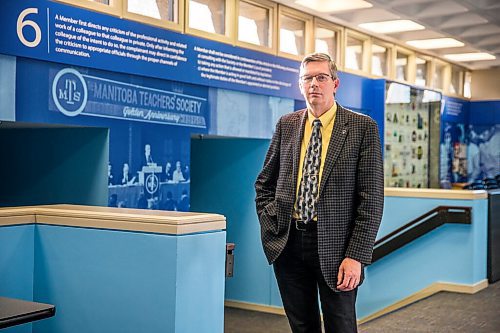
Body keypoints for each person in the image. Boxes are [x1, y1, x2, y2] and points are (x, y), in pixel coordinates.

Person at [254, 52, 384, 333]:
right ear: (300, 85)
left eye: (321, 77)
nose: (314, 83)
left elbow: (371, 200)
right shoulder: (286, 125)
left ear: (335, 83)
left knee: (341, 325)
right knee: (302, 326)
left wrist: (356, 256)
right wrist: (272, 226)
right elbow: (264, 184)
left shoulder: (362, 127)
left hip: (338, 248)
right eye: (307, 78)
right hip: (288, 243)